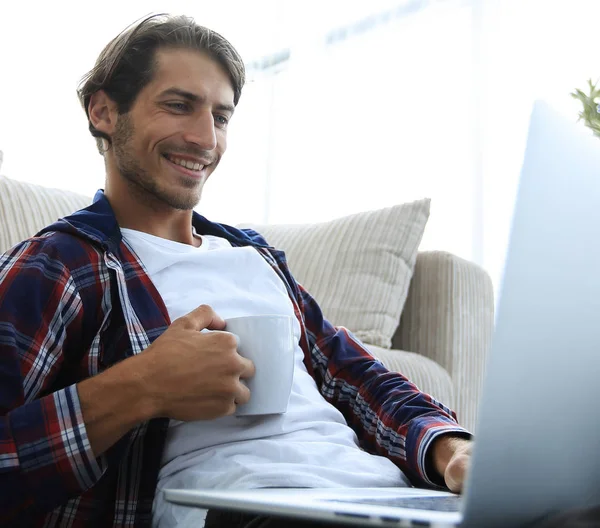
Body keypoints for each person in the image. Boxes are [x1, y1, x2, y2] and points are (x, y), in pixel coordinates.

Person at [0, 14, 472, 528]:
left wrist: (450, 451)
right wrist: (142, 387)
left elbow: (352, 375)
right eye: (179, 105)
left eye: (221, 117)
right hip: (248, 511)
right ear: (105, 111)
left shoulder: (255, 256)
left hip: (379, 499)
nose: (206, 139)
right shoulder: (61, 264)